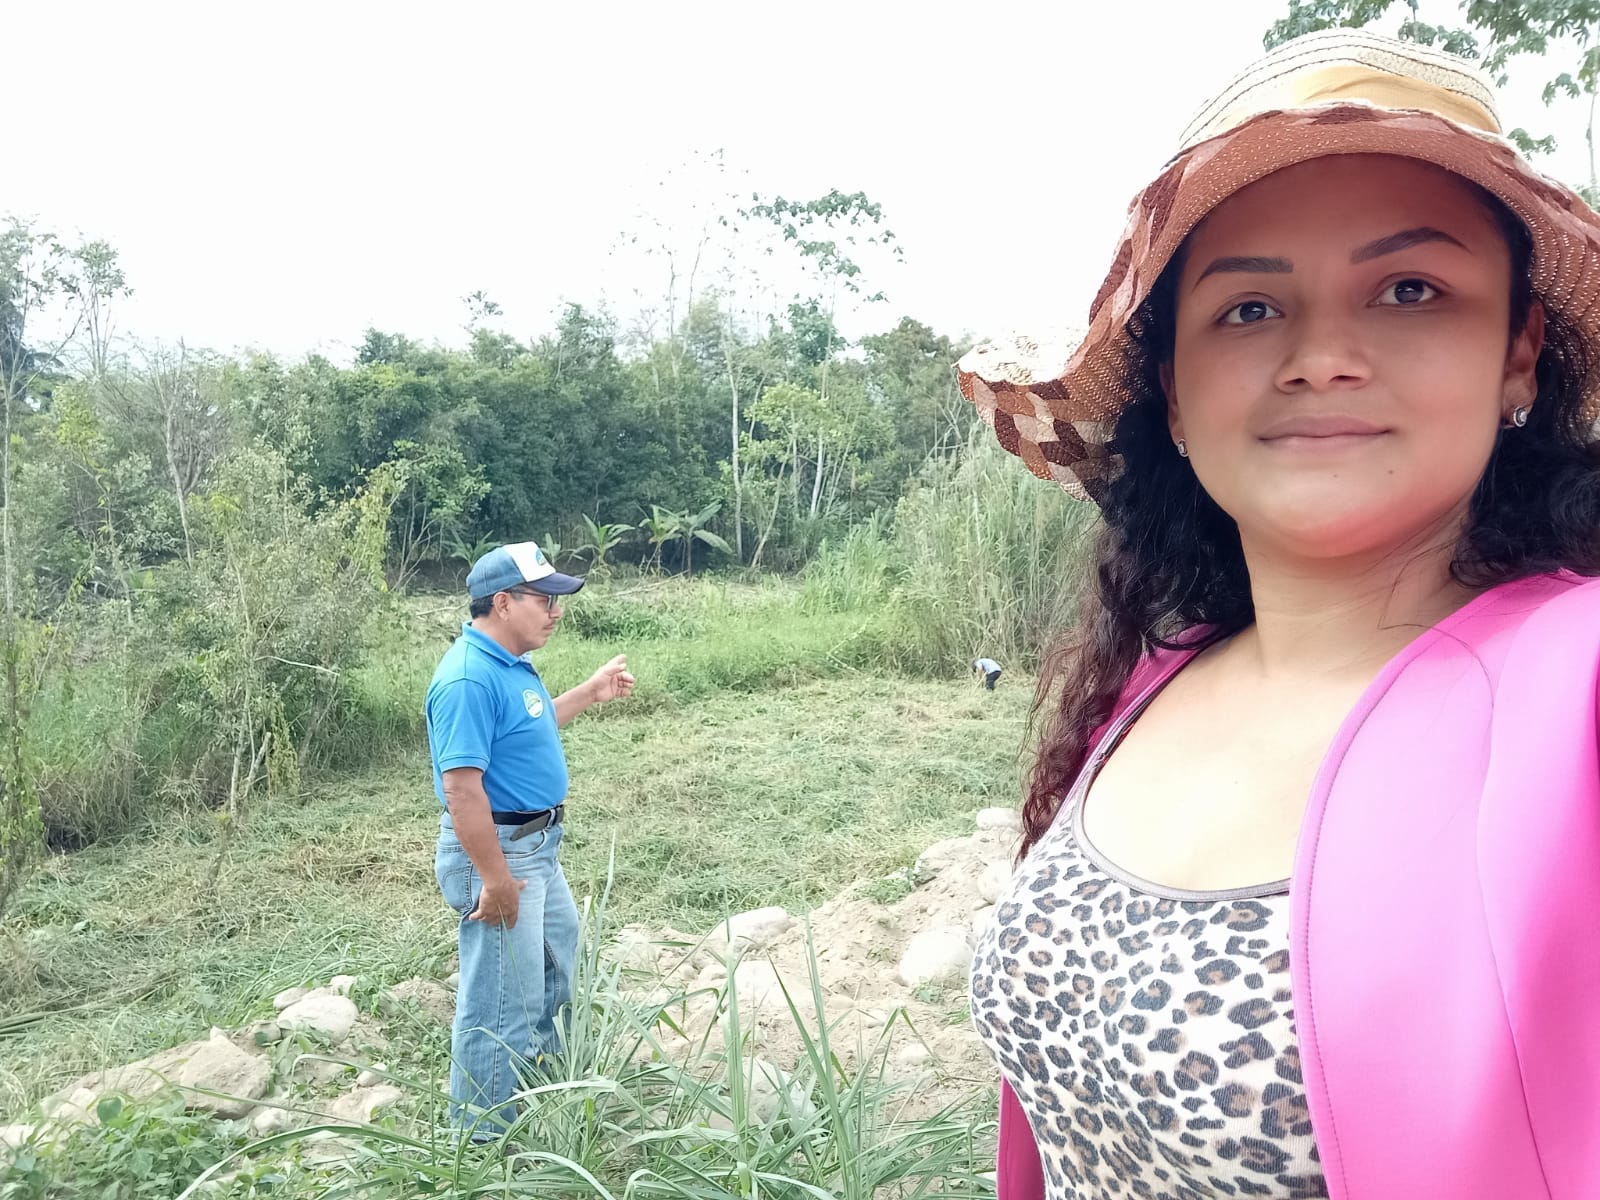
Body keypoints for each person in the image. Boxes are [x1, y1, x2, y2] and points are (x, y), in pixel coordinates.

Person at [959, 29, 1600, 1200]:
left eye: (1409, 290)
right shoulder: (1157, 678)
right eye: (1249, 308)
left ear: (1519, 354)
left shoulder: (1579, 692)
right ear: (1174, 391)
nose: (1320, 357)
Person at [426, 540, 635, 1139]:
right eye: (544, 600)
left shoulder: (510, 663)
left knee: (557, 969)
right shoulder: (468, 678)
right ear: (502, 603)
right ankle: (483, 1137)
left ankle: (540, 1086)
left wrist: (589, 692)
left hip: (536, 847)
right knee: (500, 1002)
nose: (555, 611)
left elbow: (529, 726)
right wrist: (495, 879)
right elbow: (462, 789)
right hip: (501, 853)